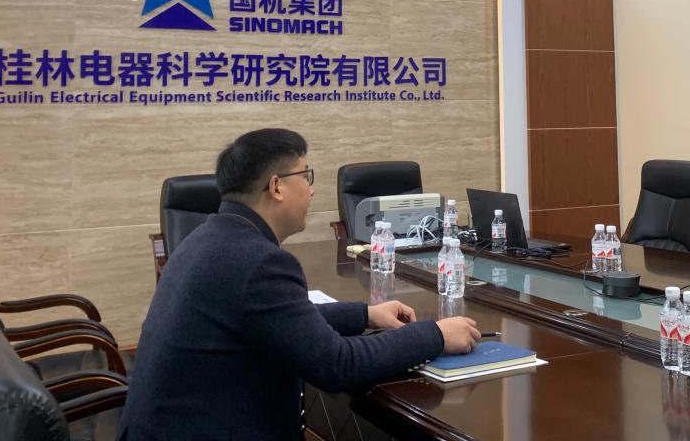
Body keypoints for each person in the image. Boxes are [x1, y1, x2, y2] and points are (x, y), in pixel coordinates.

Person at [118, 128, 481, 441]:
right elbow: (337, 364)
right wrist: (434, 334)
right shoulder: (258, 261)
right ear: (276, 186)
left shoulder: (206, 238)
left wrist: (365, 315)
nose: (311, 191)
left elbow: (278, 321)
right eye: (306, 176)